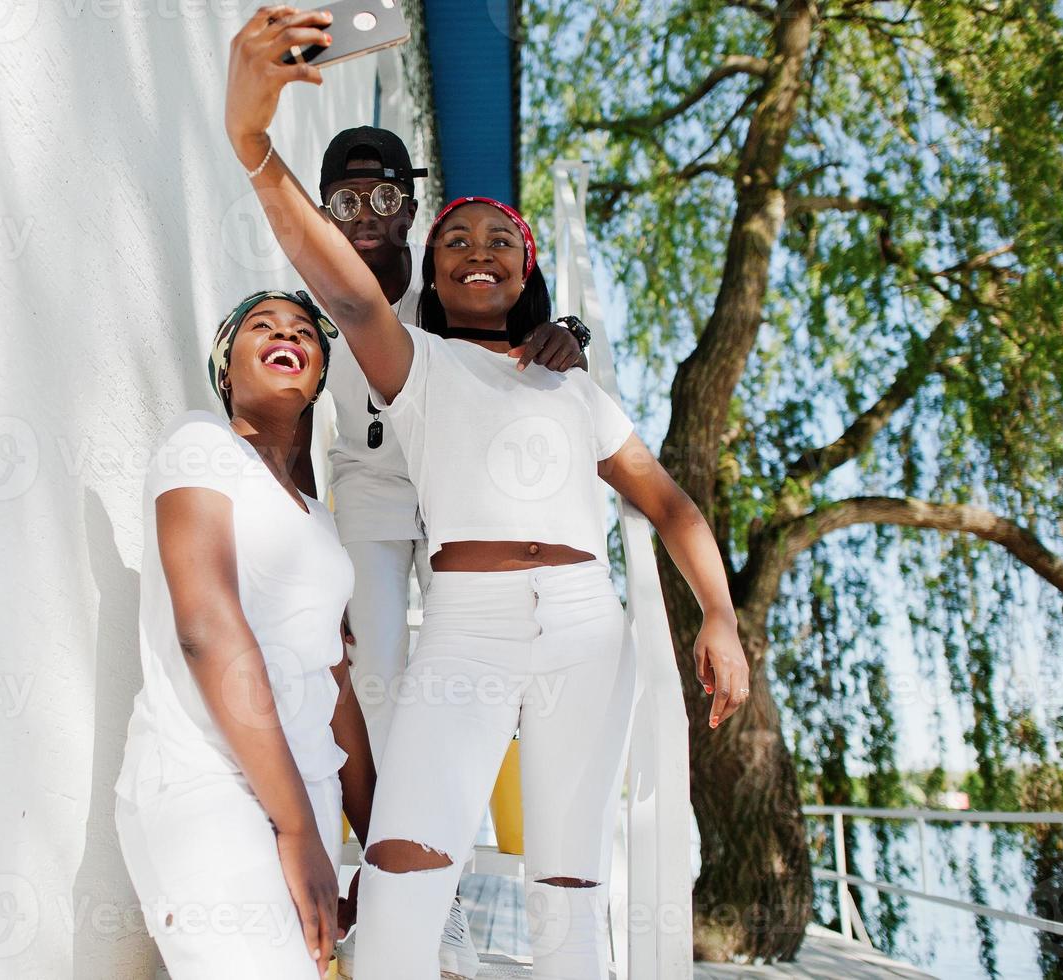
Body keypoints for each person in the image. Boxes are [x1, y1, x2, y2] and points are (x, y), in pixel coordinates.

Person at [225, 9, 752, 978]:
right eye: (456, 238)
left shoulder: (574, 383)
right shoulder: (415, 359)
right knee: (402, 864)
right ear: (430, 272)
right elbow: (342, 289)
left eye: (498, 239)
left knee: (570, 887)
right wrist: (253, 146)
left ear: (528, 270)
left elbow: (671, 505)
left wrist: (719, 615)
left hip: (590, 628)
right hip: (465, 620)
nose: (476, 249)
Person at [297, 127, 589, 980]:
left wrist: (568, 326)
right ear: (324, 212)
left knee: (478, 675)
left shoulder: (448, 279)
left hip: (459, 491)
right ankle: (428, 905)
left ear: (411, 206)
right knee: (378, 678)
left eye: (385, 197)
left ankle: (487, 899)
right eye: (346, 200)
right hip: (373, 496)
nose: (366, 216)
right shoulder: (318, 299)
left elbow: (526, 330)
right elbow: (301, 430)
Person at [113, 289, 379, 978]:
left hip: (308, 799)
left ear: (318, 376)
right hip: (208, 782)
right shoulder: (199, 444)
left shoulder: (319, 523)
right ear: (225, 368)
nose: (284, 333)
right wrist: (295, 830)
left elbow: (335, 680)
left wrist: (374, 842)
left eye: (303, 332)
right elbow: (205, 627)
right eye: (260, 326)